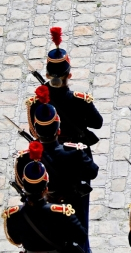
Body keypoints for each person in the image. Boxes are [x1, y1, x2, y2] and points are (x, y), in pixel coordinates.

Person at [15, 85, 99, 252]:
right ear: (58, 129)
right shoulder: (74, 152)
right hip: (72, 202)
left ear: (35, 129)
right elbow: (93, 171)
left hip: (37, 207)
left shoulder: (26, 159)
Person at [27, 27, 103, 158]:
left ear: (47, 75)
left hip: (49, 155)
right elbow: (97, 123)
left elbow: (34, 132)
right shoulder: (81, 100)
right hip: (77, 153)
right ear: (69, 75)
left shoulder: (35, 103)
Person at [3, 156, 88, 252]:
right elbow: (82, 237)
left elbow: (16, 240)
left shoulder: (13, 214)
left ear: (24, 186)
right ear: (46, 189)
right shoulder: (62, 213)